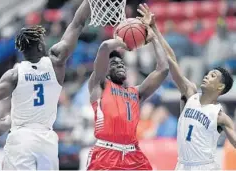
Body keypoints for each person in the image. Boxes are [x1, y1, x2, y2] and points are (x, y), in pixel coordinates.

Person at [0, 0, 90, 169]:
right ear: (41, 45)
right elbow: (77, 23)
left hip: (21, 139)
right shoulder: (56, 64)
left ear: (21, 51)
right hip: (46, 140)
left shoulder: (14, 75)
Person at [140, 3, 236, 170]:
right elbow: (171, 59)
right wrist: (155, 29)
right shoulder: (190, 92)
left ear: (220, 87)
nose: (207, 76)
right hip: (182, 165)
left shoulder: (220, 116)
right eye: (208, 73)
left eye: (213, 76)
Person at [86, 7, 169, 170]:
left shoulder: (136, 93)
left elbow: (163, 69)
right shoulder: (99, 86)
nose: (119, 64)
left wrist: (152, 37)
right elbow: (104, 48)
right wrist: (121, 42)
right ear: (106, 72)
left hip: (133, 155)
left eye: (122, 63)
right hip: (106, 153)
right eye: (114, 63)